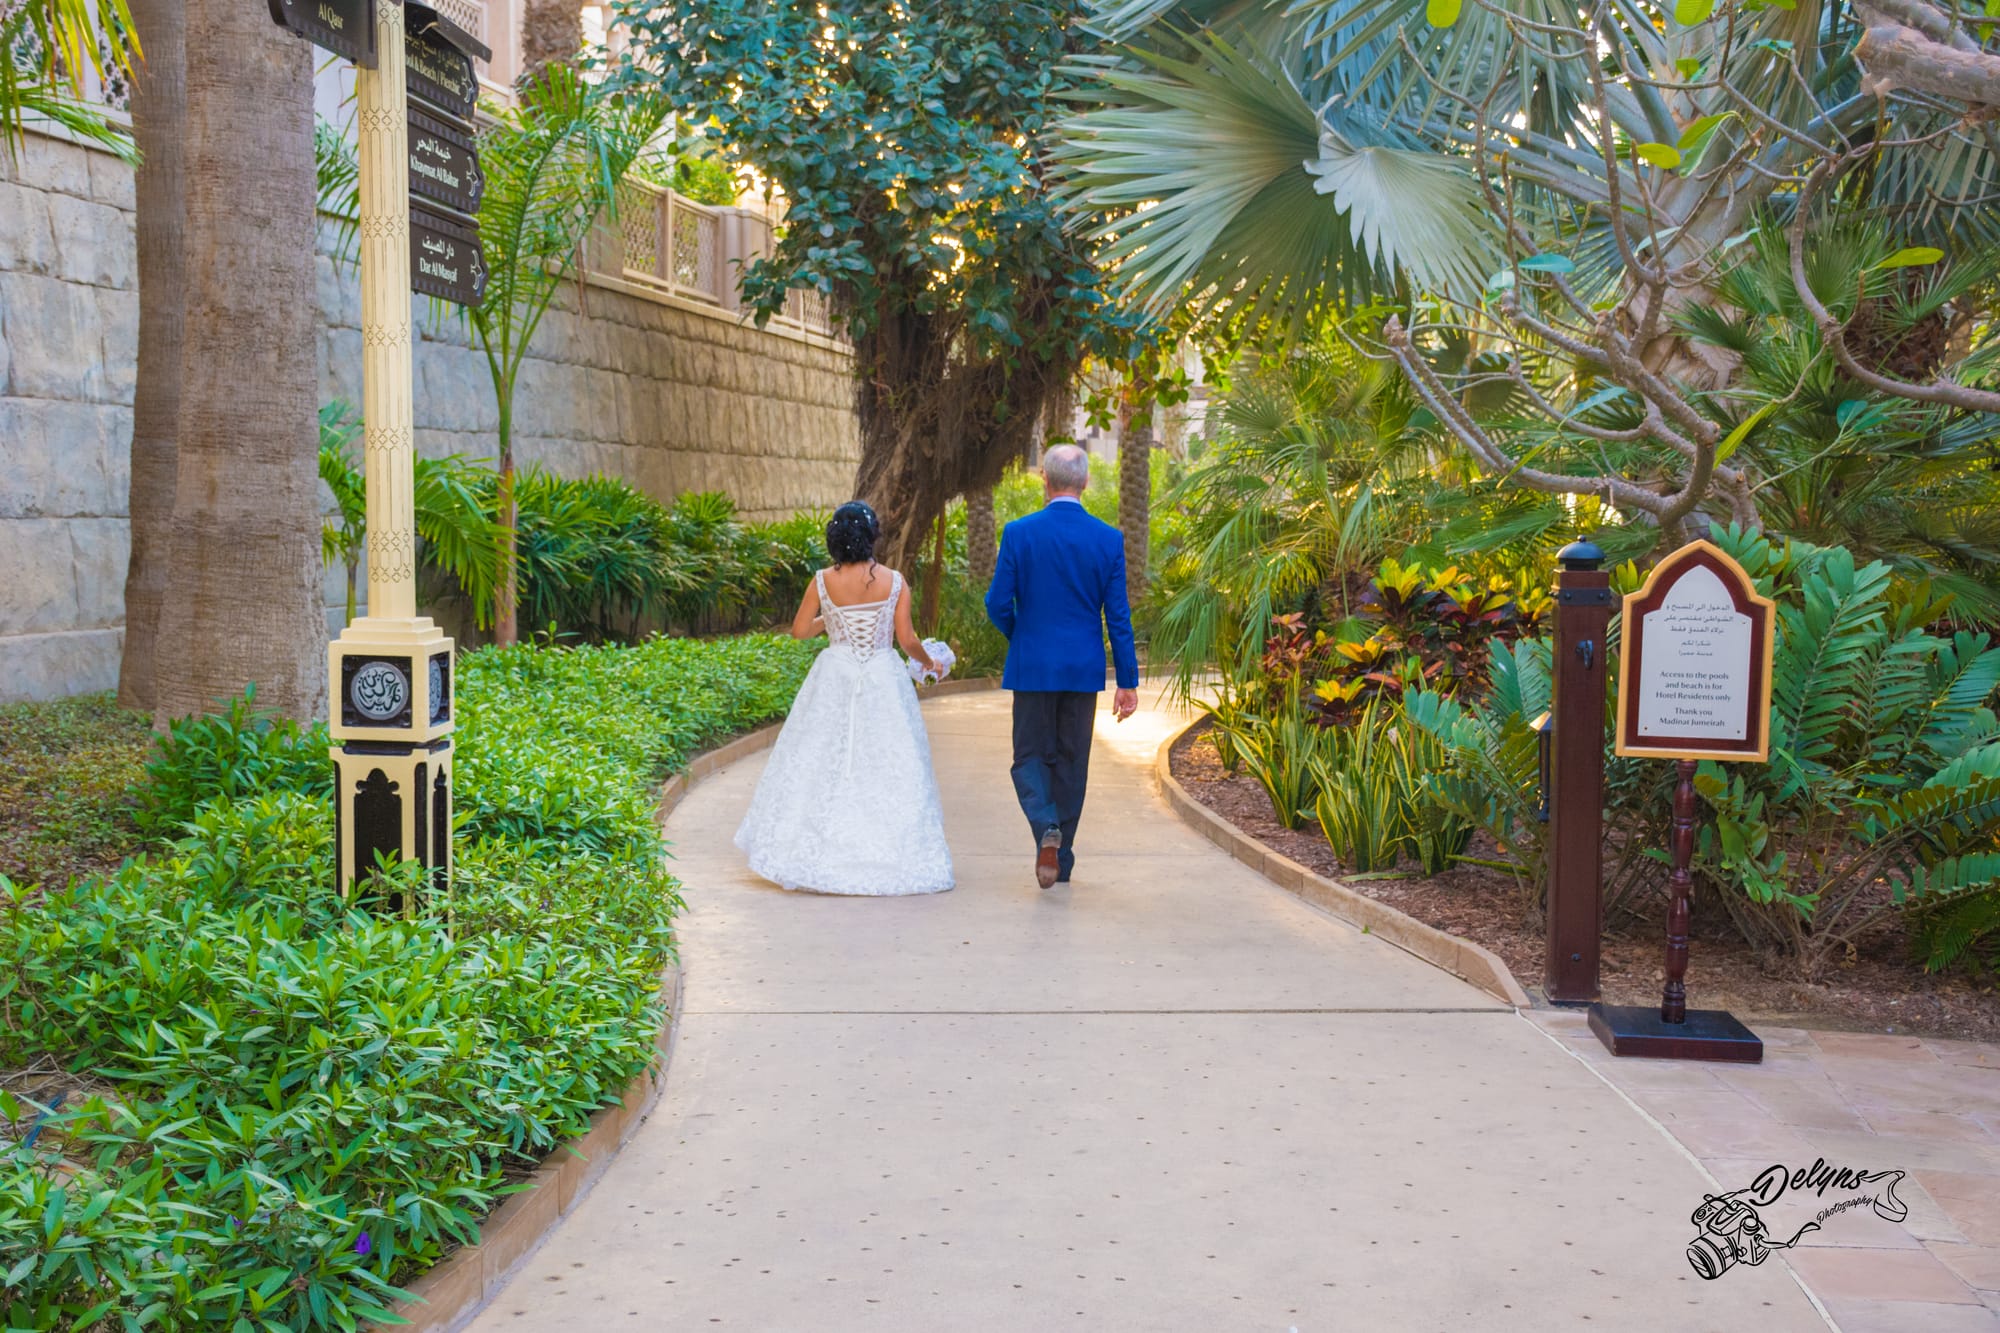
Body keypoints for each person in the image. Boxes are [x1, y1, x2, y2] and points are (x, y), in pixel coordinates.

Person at [733, 502, 955, 895]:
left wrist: (832, 617)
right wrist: (930, 662)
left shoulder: (822, 581)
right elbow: (906, 639)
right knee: (888, 759)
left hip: (835, 674)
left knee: (822, 756)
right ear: (871, 537)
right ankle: (888, 852)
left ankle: (816, 852)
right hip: (882, 677)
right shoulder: (895, 582)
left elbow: (800, 631)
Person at [984, 444, 1140, 889]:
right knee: (1072, 762)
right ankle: (1062, 861)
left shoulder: (1019, 533)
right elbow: (1118, 616)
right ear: (1085, 482)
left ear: (1045, 480)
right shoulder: (1107, 539)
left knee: (1028, 757)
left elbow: (997, 602)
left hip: (1032, 666)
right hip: (1082, 669)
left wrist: (1021, 635)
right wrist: (1127, 681)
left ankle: (1045, 826)